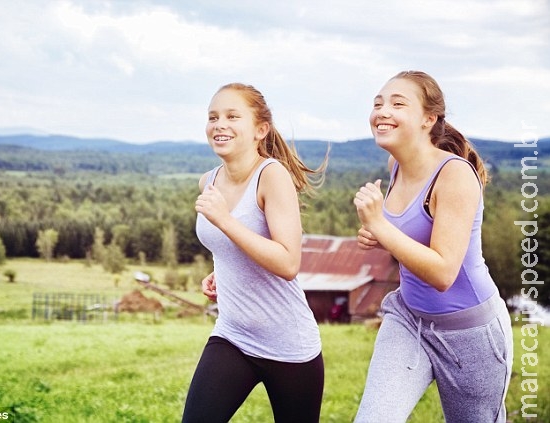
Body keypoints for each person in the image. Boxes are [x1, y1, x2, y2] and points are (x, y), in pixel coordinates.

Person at [352, 70, 513, 422]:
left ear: (429, 119)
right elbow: (410, 239)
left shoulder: (454, 175)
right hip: (409, 318)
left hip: (470, 334)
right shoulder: (396, 165)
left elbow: (443, 272)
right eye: (378, 103)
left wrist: (380, 225)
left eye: (398, 103)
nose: (382, 111)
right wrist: (379, 238)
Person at [182, 83, 327, 423]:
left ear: (260, 130)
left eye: (233, 116)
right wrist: (224, 269)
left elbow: (288, 262)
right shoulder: (210, 181)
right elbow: (235, 247)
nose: (220, 124)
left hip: (289, 344)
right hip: (233, 336)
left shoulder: (272, 176)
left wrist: (224, 220)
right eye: (213, 117)